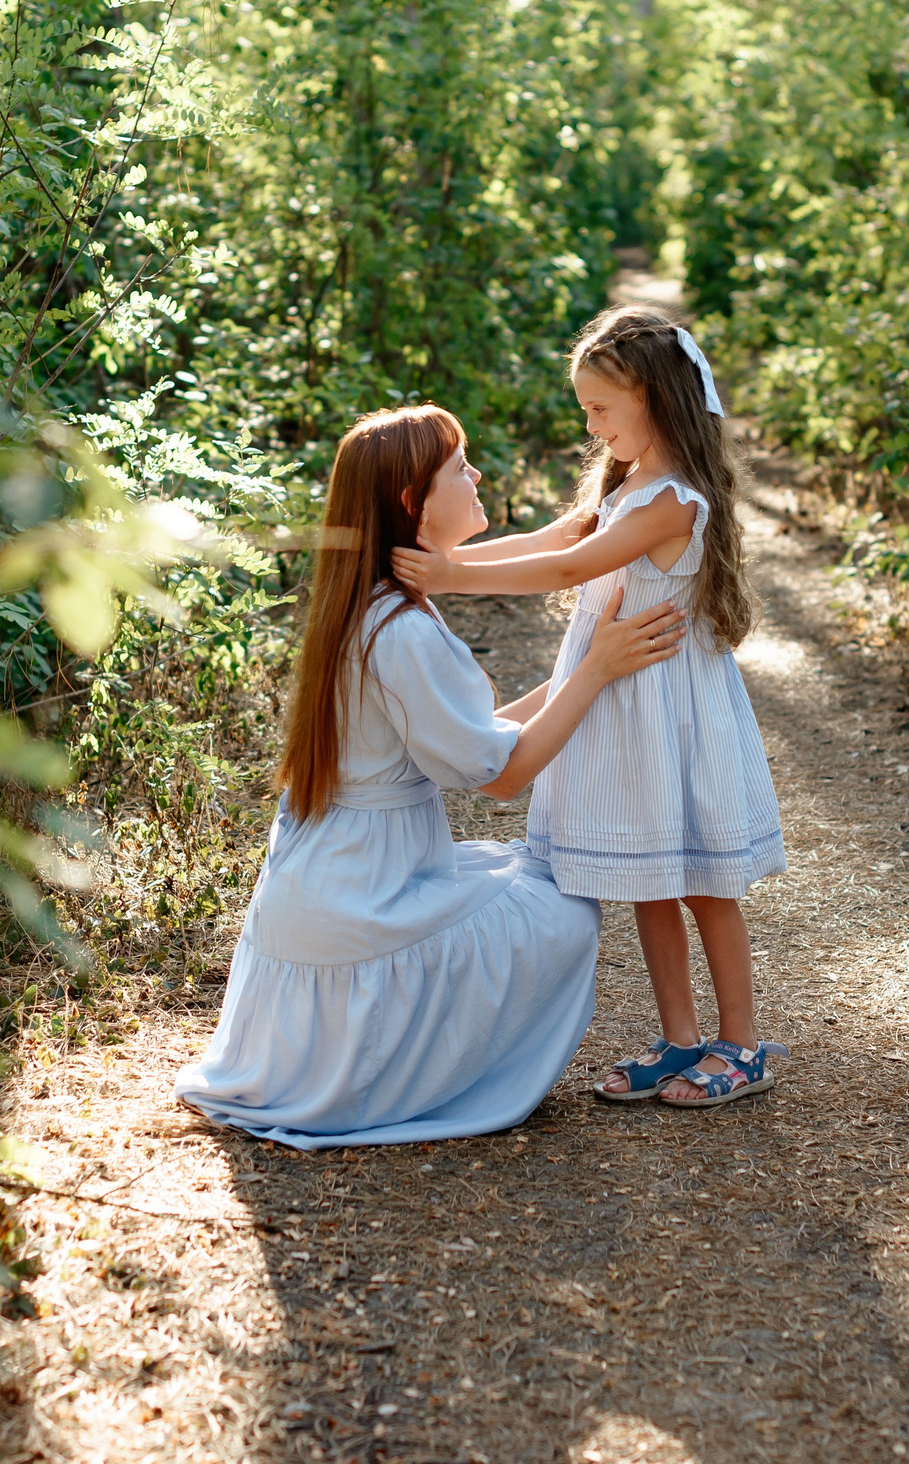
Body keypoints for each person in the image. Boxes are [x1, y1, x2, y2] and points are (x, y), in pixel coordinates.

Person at [174, 404, 688, 1147]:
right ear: (412, 500)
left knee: (525, 874)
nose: (475, 475)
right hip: (360, 901)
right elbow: (501, 776)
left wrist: (581, 667)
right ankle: (416, 1077)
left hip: (332, 884)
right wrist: (594, 671)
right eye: (459, 467)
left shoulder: (367, 604)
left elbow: (471, 734)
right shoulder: (403, 628)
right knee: (564, 907)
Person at [393, 307, 787, 1107]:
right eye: (586, 409)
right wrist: (447, 553)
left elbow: (569, 569)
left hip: (674, 717)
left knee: (704, 884)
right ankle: (680, 1038)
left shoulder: (674, 500)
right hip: (626, 714)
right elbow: (552, 539)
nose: (591, 424)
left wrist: (451, 579)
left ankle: (742, 1043)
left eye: (600, 407)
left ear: (652, 397)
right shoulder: (623, 485)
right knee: (648, 877)